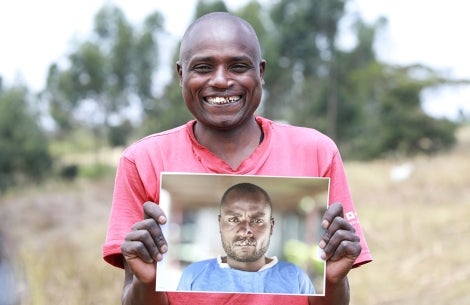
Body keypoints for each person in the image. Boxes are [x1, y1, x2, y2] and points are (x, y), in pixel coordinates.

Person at [103, 11, 372, 305]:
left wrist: (334, 279)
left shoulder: (317, 152)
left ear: (261, 72)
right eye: (203, 67)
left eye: (238, 66)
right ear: (181, 75)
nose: (220, 81)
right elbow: (136, 297)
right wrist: (148, 279)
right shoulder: (143, 161)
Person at [177, 182, 316, 294]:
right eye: (233, 219)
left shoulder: (296, 278)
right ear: (220, 224)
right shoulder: (194, 276)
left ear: (271, 227)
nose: (244, 231)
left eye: (256, 221)